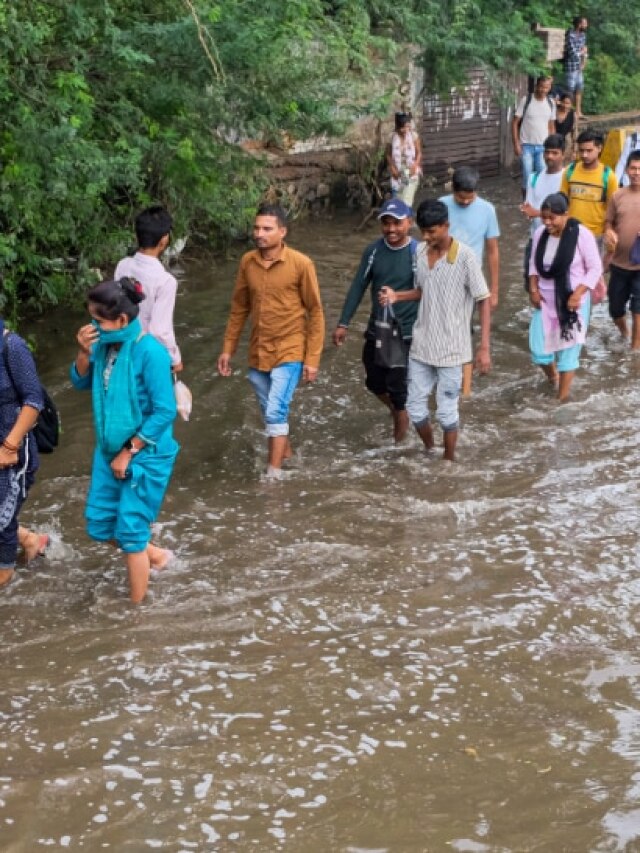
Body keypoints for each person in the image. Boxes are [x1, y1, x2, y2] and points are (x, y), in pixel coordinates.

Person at [71, 278, 179, 604]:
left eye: (98, 320)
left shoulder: (151, 353)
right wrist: (83, 352)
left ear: (121, 321)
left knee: (130, 533)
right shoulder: (104, 345)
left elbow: (165, 411)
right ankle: (157, 557)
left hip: (144, 453)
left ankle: (135, 616)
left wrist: (129, 452)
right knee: (101, 526)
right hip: (108, 449)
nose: (93, 326)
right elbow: (79, 382)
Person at [217, 204, 325, 480]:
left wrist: (312, 360)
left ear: (282, 231)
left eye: (267, 229)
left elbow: (315, 312)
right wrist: (228, 349)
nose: (259, 234)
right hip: (258, 350)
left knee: (276, 408)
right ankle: (285, 453)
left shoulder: (301, 264)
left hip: (290, 348)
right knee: (269, 411)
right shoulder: (247, 262)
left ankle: (273, 474)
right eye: (256, 228)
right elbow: (239, 308)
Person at [379, 199, 491, 462]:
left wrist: (484, 347)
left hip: (453, 350)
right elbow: (422, 291)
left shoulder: (465, 257)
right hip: (422, 345)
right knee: (415, 409)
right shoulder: (419, 253)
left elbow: (483, 299)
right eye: (423, 231)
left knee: (446, 413)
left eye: (432, 232)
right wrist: (398, 296)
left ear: (446, 226)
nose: (426, 237)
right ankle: (430, 448)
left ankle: (449, 460)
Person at [333, 198, 418, 442]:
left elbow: (428, 290)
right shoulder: (373, 251)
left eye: (397, 223)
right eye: (386, 224)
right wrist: (343, 323)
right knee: (373, 381)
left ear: (409, 223)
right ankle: (397, 411)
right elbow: (358, 286)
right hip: (378, 328)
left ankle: (398, 447)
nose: (391, 229)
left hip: (407, 331)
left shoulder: (417, 253)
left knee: (398, 389)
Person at [528, 193, 601, 401]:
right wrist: (533, 289)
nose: (547, 222)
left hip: (572, 304)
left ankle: (561, 400)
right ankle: (553, 377)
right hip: (545, 300)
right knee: (538, 351)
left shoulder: (581, 234)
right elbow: (534, 263)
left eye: (552, 218)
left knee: (568, 354)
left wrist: (577, 294)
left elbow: (595, 269)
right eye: (544, 217)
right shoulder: (541, 233)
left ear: (566, 215)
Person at [440, 166, 499, 395]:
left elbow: (493, 251)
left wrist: (494, 290)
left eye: (470, 198)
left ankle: (465, 392)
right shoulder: (441, 206)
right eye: (461, 198)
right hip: (443, 279)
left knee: (464, 334)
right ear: (452, 189)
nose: (465, 202)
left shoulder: (487, 210)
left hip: (471, 282)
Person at [0, 319, 45, 586]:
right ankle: (30, 540)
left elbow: (33, 400)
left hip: (12, 448)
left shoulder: (11, 346)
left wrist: (9, 447)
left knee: (2, 516)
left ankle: (5, 571)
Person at [115, 205, 183, 373]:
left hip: (120, 348)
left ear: (136, 235)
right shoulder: (165, 282)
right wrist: (175, 359)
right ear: (164, 240)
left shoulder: (123, 266)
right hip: (147, 357)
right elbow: (160, 331)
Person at [604, 151, 640, 348]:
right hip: (618, 263)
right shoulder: (617, 196)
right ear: (626, 170)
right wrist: (609, 232)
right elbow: (608, 222)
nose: (636, 173)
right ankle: (624, 332)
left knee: (638, 308)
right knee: (615, 309)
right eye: (633, 168)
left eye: (639, 169)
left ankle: (635, 350)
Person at [520, 133, 566, 287]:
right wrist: (528, 212)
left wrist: (538, 213)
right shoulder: (534, 177)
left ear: (563, 154)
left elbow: (567, 214)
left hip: (559, 242)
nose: (550, 157)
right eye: (547, 152)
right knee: (531, 285)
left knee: (558, 287)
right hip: (535, 239)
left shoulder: (567, 178)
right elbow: (529, 208)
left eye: (555, 153)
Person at [560, 130, 619, 248]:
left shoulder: (608, 176)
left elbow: (613, 210)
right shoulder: (570, 171)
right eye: (581, 151)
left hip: (596, 236)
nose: (584, 155)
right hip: (571, 233)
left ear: (599, 148)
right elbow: (562, 201)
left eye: (589, 150)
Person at [512, 76, 556, 196]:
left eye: (546, 87)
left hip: (543, 147)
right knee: (527, 175)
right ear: (537, 86)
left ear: (549, 88)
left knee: (542, 175)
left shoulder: (551, 103)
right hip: (526, 146)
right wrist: (516, 143)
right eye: (541, 87)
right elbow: (515, 122)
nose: (543, 90)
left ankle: (539, 200)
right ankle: (526, 202)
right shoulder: (527, 100)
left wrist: (553, 146)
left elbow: (551, 126)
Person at [387, 112, 422, 208]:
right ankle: (401, 221)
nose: (406, 130)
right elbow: (389, 155)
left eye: (408, 127)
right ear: (398, 127)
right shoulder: (392, 137)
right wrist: (392, 168)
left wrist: (415, 165)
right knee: (397, 201)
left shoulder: (413, 135)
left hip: (411, 172)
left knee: (406, 202)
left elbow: (419, 153)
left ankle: (407, 220)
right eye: (404, 127)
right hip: (397, 173)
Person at [563, 16, 588, 119]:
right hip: (570, 66)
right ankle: (570, 114)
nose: (586, 25)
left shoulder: (582, 35)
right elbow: (572, 52)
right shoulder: (570, 35)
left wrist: (584, 61)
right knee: (570, 90)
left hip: (579, 67)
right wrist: (582, 52)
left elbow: (584, 50)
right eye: (585, 23)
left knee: (579, 89)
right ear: (579, 24)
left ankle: (578, 112)